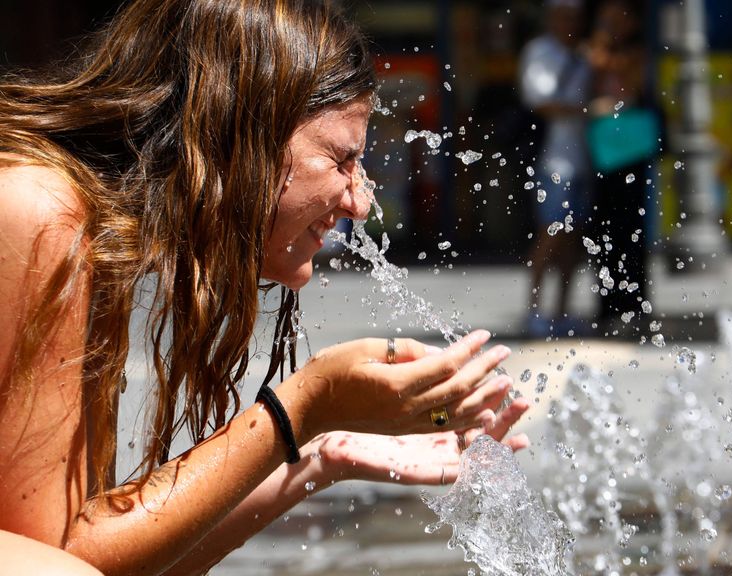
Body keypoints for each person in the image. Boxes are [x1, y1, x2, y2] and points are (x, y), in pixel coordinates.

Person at [0, 1, 529, 574]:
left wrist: (320, 453)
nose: (361, 201)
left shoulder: (83, 229)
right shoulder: (38, 210)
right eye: (342, 161)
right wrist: (302, 406)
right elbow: (66, 563)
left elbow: (102, 560)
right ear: (238, 135)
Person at [518, 0, 591, 338]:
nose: (570, 22)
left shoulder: (584, 54)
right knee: (551, 232)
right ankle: (533, 310)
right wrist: (587, 110)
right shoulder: (541, 52)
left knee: (572, 239)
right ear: (552, 17)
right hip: (553, 161)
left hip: (582, 160)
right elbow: (541, 102)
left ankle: (561, 311)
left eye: (575, 16)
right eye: (564, 16)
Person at [587, 0, 655, 334]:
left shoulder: (636, 51)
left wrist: (603, 38)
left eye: (616, 18)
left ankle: (634, 302)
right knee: (604, 228)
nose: (610, 24)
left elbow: (627, 80)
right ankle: (608, 302)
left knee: (631, 228)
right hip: (606, 152)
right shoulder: (601, 51)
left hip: (629, 152)